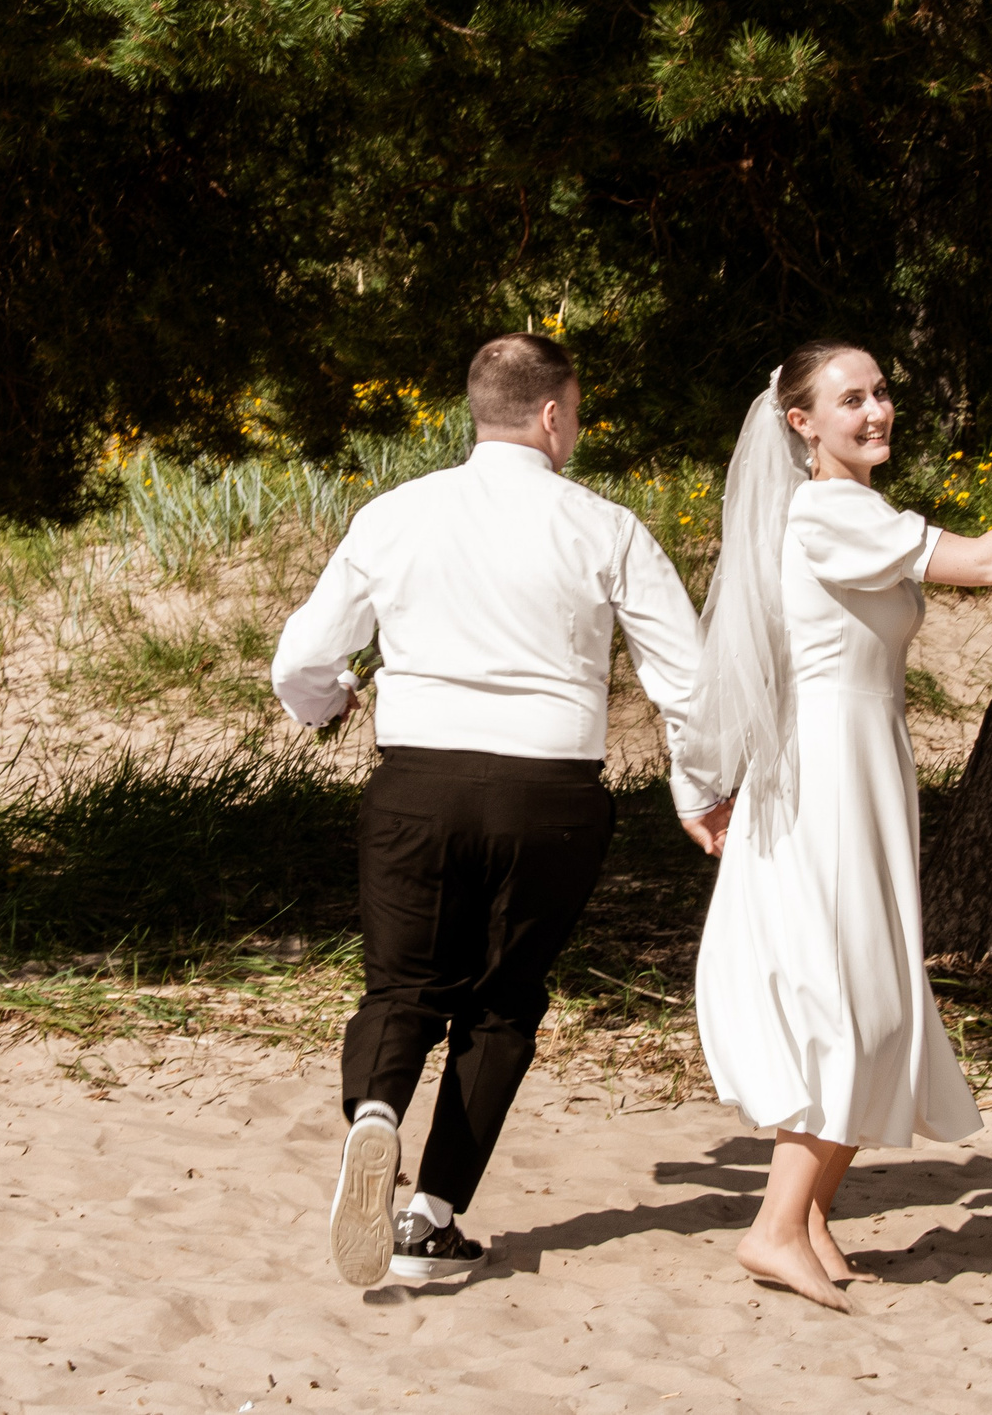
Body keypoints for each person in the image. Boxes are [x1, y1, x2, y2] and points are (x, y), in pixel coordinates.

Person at [687, 341, 992, 1311]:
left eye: (882, 392)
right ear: (802, 424)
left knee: (875, 993)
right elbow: (985, 563)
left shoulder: (839, 511)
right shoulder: (826, 511)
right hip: (825, 773)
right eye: (849, 399)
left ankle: (809, 1217)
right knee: (852, 999)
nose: (876, 411)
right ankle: (773, 1228)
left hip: (859, 763)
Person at [271, 333, 732, 1288]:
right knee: (502, 1003)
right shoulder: (605, 526)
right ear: (554, 415)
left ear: (476, 409)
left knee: (402, 989)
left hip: (418, 784)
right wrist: (701, 791)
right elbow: (687, 681)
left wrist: (334, 702)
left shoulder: (395, 514)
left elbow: (301, 660)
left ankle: (375, 1116)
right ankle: (430, 1214)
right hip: (549, 797)